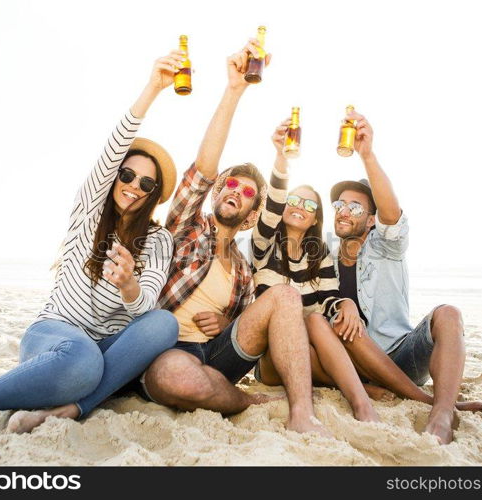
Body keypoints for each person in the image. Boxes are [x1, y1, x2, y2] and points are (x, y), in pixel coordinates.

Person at [0, 51, 184, 434]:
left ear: (154, 193)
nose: (133, 185)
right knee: (82, 362)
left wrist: (128, 283)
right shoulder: (89, 211)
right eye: (127, 174)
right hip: (55, 333)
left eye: (146, 183)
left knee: (162, 324)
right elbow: (111, 149)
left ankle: (72, 408)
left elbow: (144, 304)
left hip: (107, 344)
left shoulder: (159, 240)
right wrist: (152, 89)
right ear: (115, 176)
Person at [141, 40, 331, 436]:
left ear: (250, 218)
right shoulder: (187, 230)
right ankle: (246, 399)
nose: (234, 192)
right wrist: (234, 91)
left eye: (247, 194)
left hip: (219, 353)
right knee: (178, 380)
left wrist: (229, 320)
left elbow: (248, 323)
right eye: (230, 185)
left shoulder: (245, 268)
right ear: (216, 192)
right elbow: (202, 171)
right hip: (171, 351)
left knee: (283, 296)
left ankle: (301, 411)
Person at [306, 107, 482, 444]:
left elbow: (392, 214)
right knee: (322, 328)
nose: (344, 211)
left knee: (448, 314)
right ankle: (396, 394)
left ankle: (443, 411)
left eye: (356, 207)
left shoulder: (385, 245)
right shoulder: (325, 256)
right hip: (353, 359)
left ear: (372, 219)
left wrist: (367, 155)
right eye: (340, 205)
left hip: (401, 354)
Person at [250, 117, 385, 423]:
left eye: (310, 205)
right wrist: (282, 158)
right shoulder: (264, 244)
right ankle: (361, 389)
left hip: (308, 351)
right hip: (272, 355)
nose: (300, 206)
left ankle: (361, 403)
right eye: (294, 200)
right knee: (309, 326)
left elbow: (327, 300)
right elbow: (271, 205)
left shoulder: (319, 254)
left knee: (317, 324)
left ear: (314, 219)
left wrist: (346, 303)